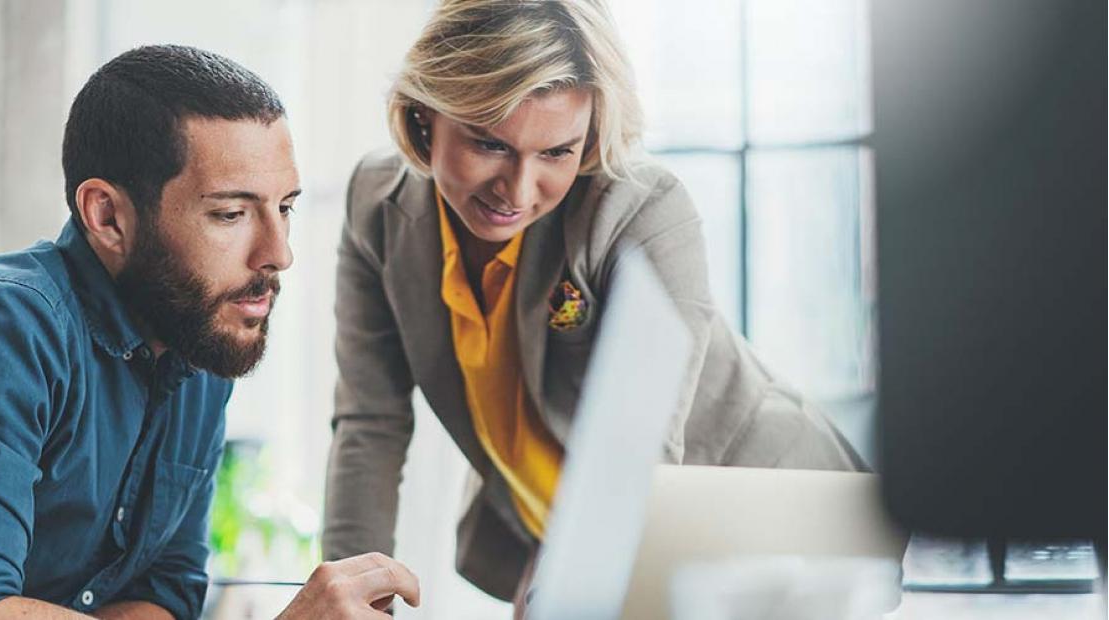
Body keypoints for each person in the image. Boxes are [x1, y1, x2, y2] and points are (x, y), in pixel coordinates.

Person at [0, 45, 419, 620]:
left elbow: (161, 592)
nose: (278, 252)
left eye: (285, 208)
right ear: (108, 216)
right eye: (230, 214)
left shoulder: (197, 345)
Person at [322, 0, 864, 603]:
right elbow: (370, 425)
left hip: (773, 519)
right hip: (567, 534)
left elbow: (640, 456)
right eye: (489, 144)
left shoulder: (640, 210)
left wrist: (576, 582)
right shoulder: (377, 206)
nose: (518, 191)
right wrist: (350, 600)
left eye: (557, 152)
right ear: (424, 117)